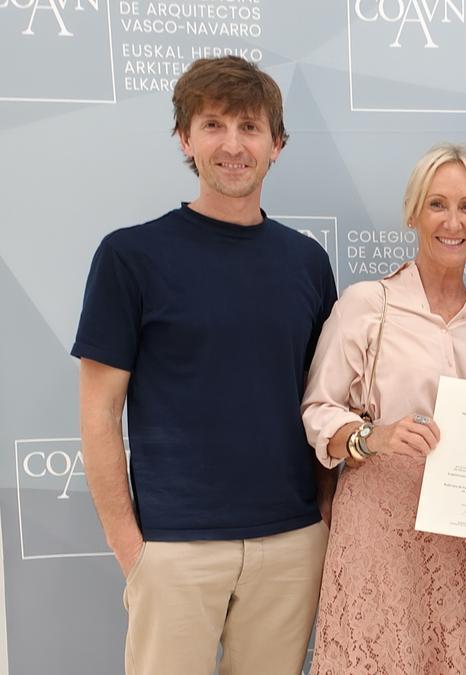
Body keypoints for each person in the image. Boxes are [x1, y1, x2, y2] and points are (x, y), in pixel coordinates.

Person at [73, 56, 337, 675]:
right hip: (173, 548)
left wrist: (321, 517)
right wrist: (130, 548)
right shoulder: (129, 256)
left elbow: (320, 399)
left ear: (277, 144)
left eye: (249, 127)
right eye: (213, 125)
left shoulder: (307, 263)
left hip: (291, 542)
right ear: (185, 139)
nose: (233, 145)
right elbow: (99, 411)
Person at [301, 143, 466, 674]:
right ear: (413, 213)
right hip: (381, 537)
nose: (452, 221)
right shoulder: (367, 306)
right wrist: (373, 437)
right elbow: (317, 408)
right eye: (437, 204)